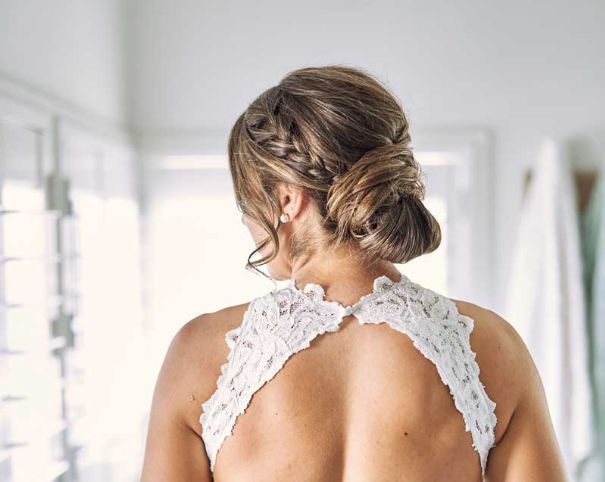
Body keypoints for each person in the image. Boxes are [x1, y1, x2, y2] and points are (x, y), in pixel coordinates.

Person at [140, 65, 567, 481]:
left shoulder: (199, 356)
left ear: (287, 198)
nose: (246, 221)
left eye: (247, 202)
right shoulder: (493, 349)